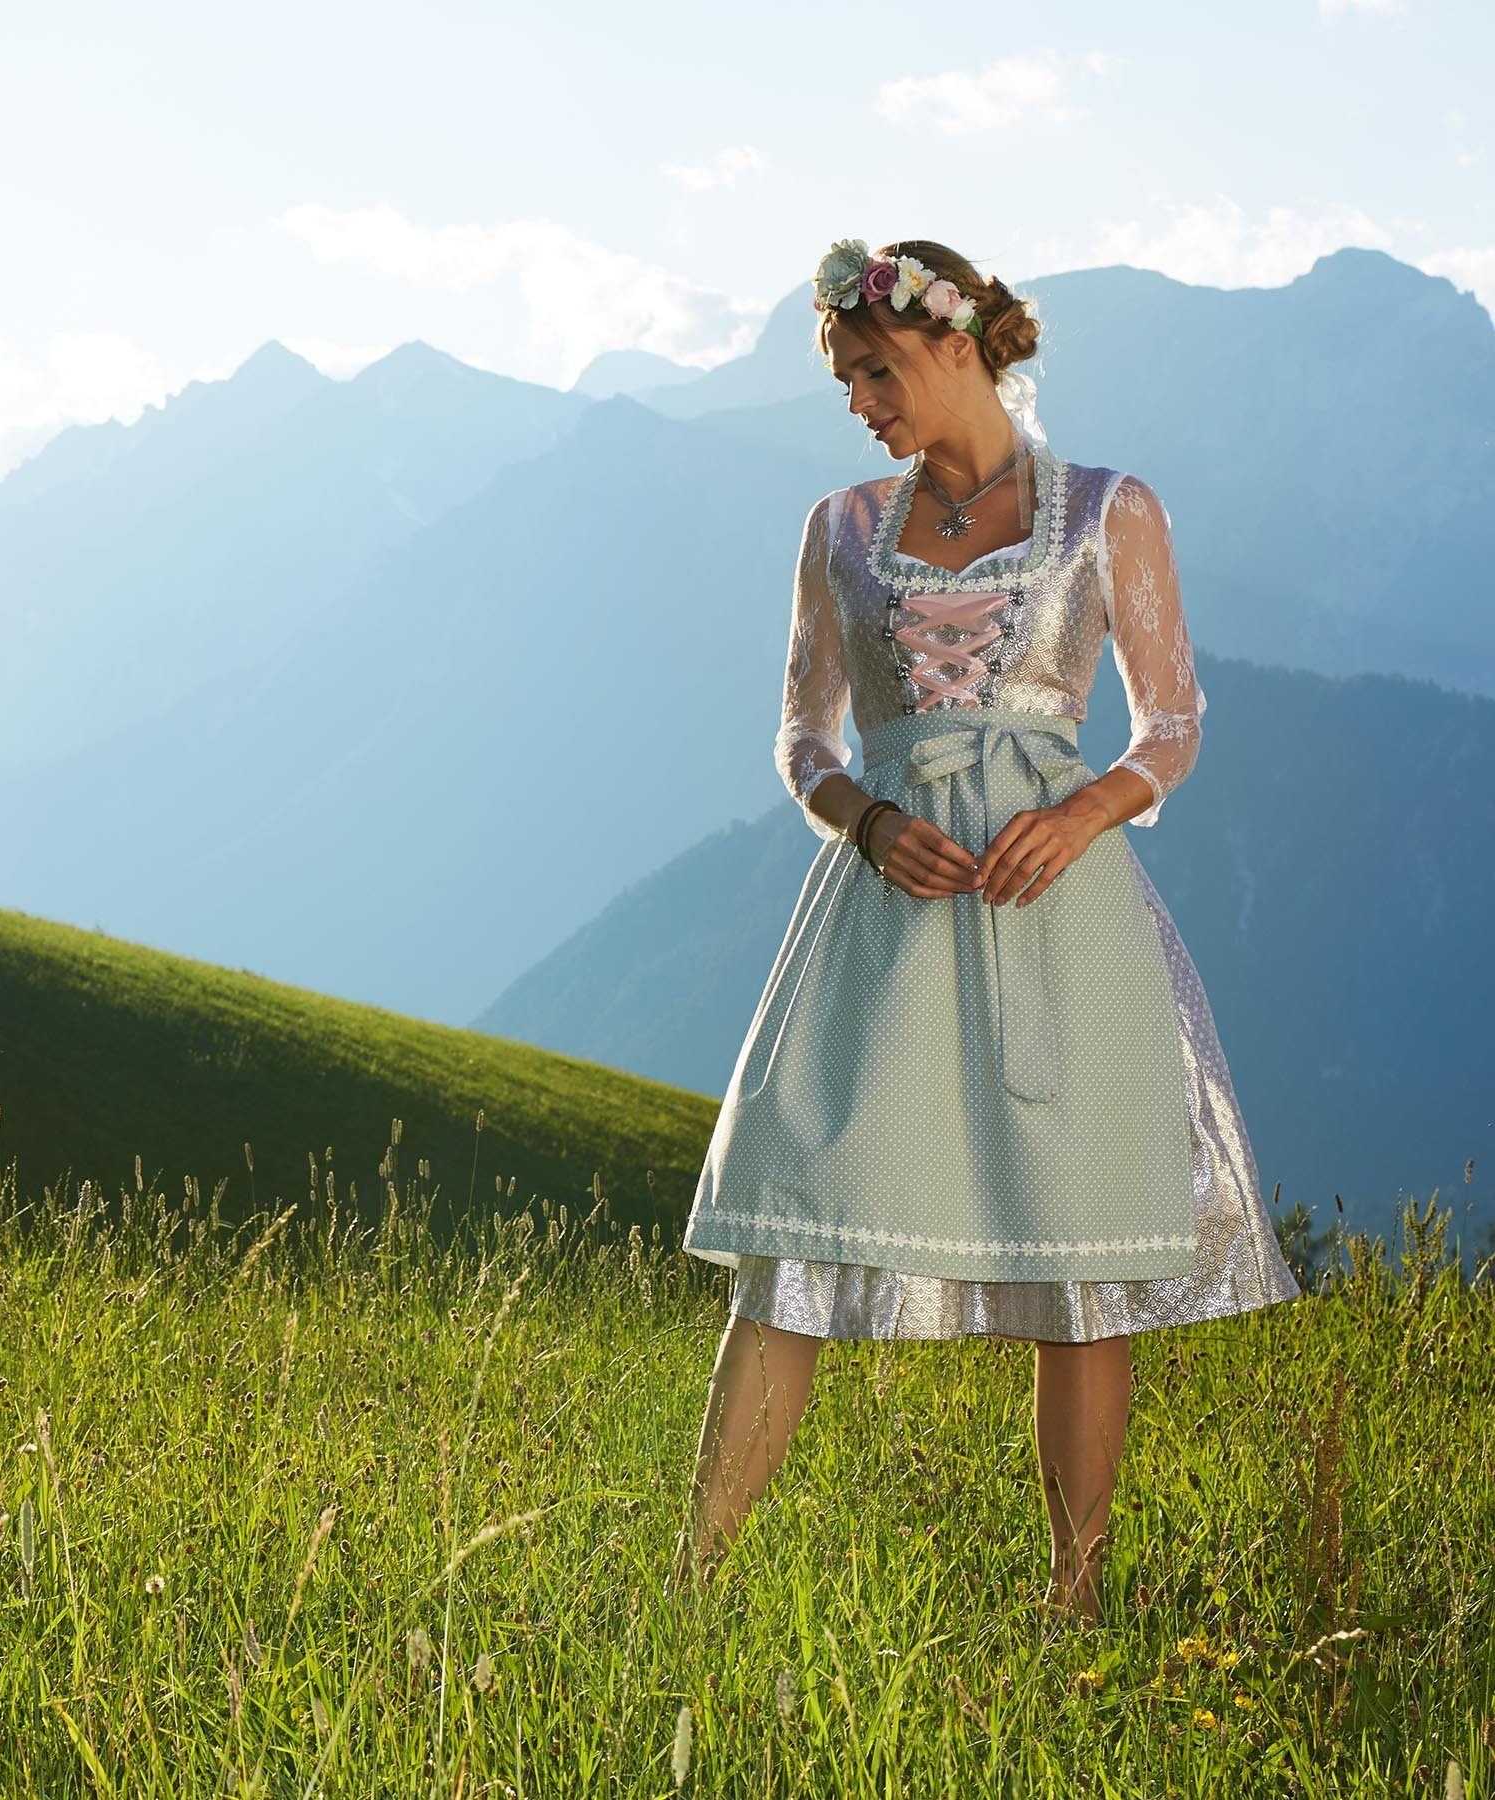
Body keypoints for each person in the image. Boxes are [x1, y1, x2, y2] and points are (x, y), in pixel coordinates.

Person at [670, 238, 1302, 1624]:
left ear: (958, 344)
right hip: (887, 911)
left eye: (874, 371)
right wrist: (862, 817)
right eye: (845, 381)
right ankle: (689, 1584)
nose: (859, 404)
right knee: (797, 1238)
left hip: (1052, 910)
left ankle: (1074, 1601)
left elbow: (1176, 724)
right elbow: (800, 734)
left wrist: (1082, 821)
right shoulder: (840, 527)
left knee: (1079, 1267)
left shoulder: (1107, 514)